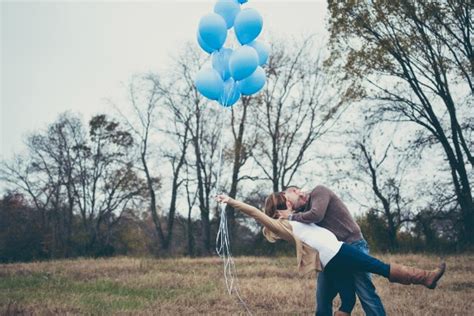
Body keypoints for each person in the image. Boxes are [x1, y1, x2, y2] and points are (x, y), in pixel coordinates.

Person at [215, 193, 446, 316]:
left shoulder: (294, 218)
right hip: (339, 253)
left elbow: (314, 209)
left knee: (347, 300)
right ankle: (425, 277)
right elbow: (255, 212)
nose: (291, 203)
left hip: (332, 261)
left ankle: (425, 278)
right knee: (380, 267)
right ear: (278, 209)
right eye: (286, 201)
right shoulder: (281, 225)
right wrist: (230, 201)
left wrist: (297, 204)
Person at [275, 185, 385, 316]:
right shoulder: (302, 214)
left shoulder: (319, 192)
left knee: (365, 292)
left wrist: (290, 217)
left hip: (354, 245)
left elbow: (316, 215)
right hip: (332, 256)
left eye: (288, 200)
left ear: (295, 191)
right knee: (323, 297)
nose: (289, 206)